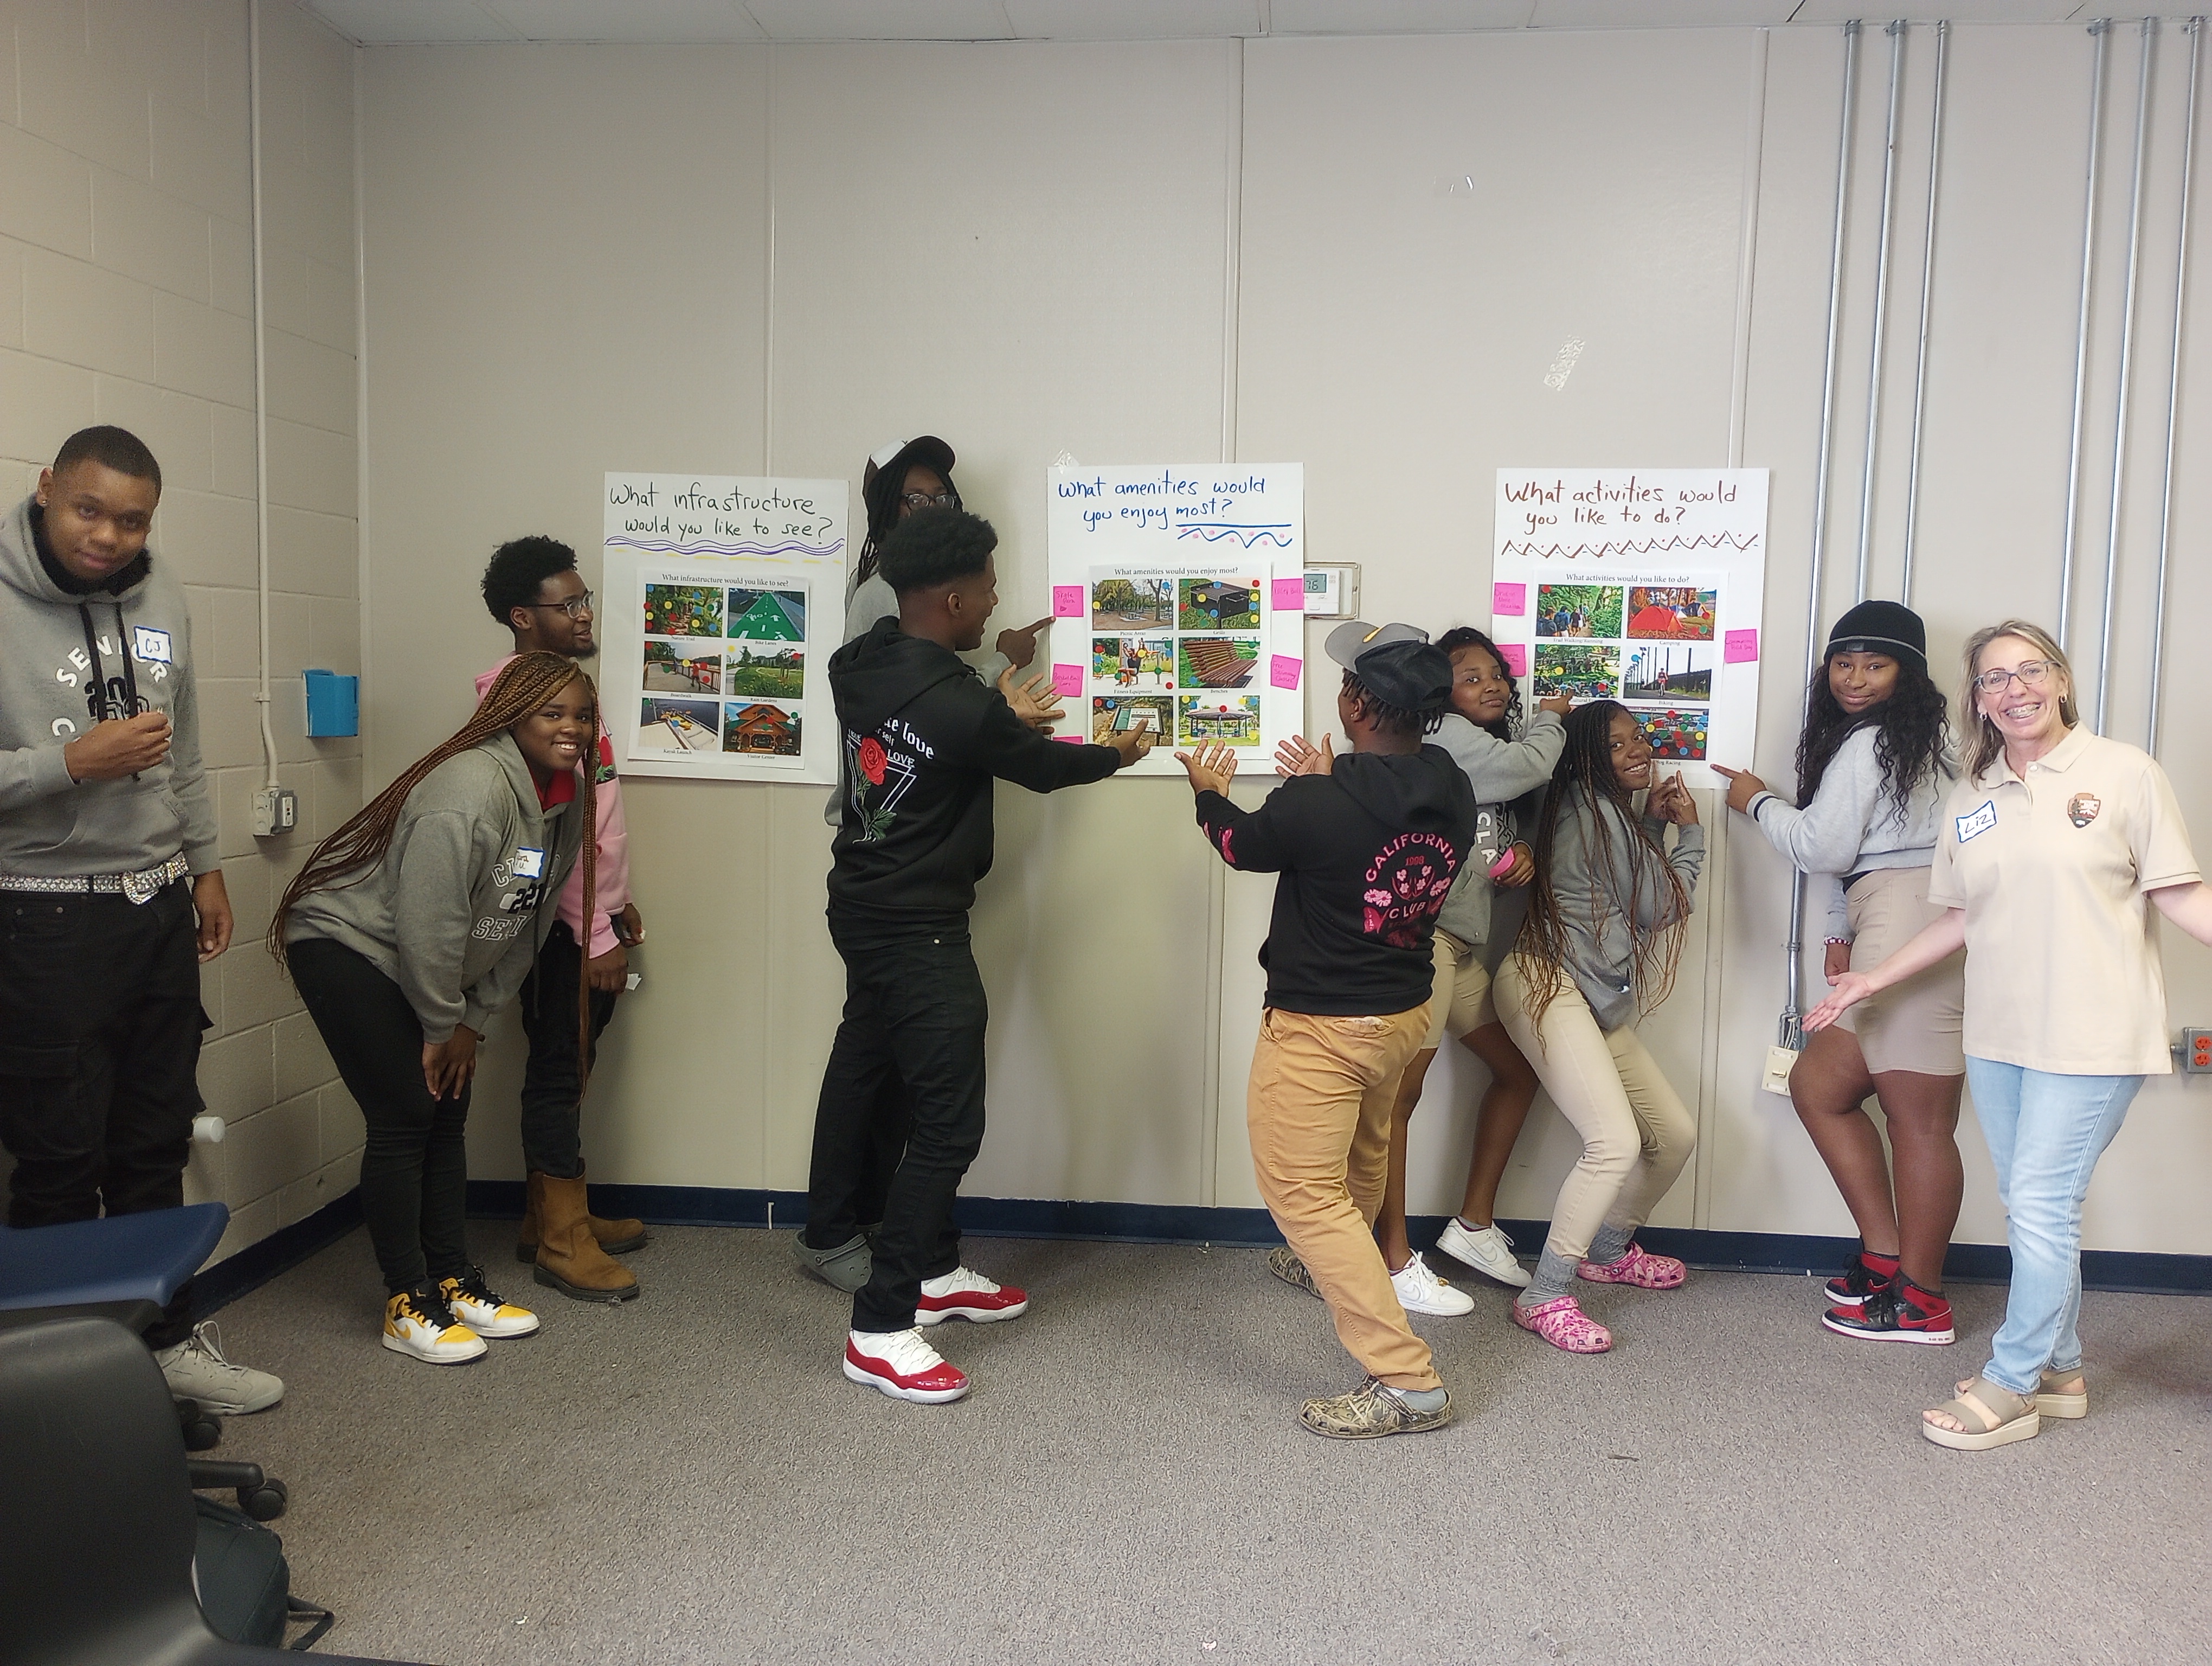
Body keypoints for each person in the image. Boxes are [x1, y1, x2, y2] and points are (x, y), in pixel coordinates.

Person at [1808, 620, 2211, 1450]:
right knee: (2036, 1206)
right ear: (1979, 699)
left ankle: (2013, 1381)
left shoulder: (2124, 773)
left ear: (2060, 680)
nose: (2014, 689)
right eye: (1994, 678)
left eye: (2030, 671)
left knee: (2041, 1201)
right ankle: (2060, 1369)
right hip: (1997, 1034)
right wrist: (1874, 978)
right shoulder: (1974, 793)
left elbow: (2178, 892)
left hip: (2095, 1033)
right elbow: (1962, 916)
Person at [805, 508, 1152, 1404]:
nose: (997, 600)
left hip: (863, 904)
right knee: (951, 1122)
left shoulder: (859, 663)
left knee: (900, 1081)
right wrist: (1116, 753)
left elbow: (956, 729)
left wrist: (996, 703)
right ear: (954, 599)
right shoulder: (962, 705)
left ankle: (934, 1270)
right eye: (989, 588)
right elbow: (1044, 766)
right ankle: (882, 1327)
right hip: (915, 928)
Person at [0, 425, 281, 1415]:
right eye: (90, 510)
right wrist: (68, 765)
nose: (109, 536)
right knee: (59, 1160)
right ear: (46, 489)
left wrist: (205, 866)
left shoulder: (162, 594)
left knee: (155, 1143)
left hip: (156, 903)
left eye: (132, 520)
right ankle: (60, 1392)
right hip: (42, 915)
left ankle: (162, 1352)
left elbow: (185, 751)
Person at [1190, 622, 1477, 1439]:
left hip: (1323, 1028)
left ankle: (1407, 1382)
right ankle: (1333, 1269)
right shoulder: (1452, 783)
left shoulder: (1318, 801)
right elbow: (1367, 819)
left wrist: (1206, 792)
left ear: (1357, 705)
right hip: (1402, 1016)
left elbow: (1240, 843)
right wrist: (1326, 784)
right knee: (1363, 1156)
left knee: (1302, 1193)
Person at [271, 653, 595, 1363]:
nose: (571, 728)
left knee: (447, 1110)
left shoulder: (567, 796)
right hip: (349, 946)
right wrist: (443, 1023)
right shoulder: (469, 788)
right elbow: (432, 921)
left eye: (581, 715)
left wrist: (473, 1019)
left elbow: (524, 921)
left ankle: (452, 1279)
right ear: (512, 716)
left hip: (428, 966)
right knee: (405, 1113)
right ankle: (405, 1302)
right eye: (552, 713)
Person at [1278, 626, 1565, 1312]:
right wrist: (1554, 718)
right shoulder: (1443, 739)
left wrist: (1522, 851)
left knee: (1517, 1071)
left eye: (1496, 675)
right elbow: (1526, 769)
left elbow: (1488, 823)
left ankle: (1472, 1227)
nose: (1490, 686)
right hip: (1426, 945)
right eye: (1469, 676)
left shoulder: (1468, 751)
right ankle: (1392, 1257)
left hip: (1462, 948)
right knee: (1396, 1102)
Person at [1713, 600, 1966, 1344]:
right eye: (1843, 664)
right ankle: (1886, 1259)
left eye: (1875, 665)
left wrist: (1756, 802)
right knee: (1819, 1086)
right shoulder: (1910, 740)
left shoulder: (1873, 742)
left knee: (1921, 1120)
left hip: (1911, 917)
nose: (1854, 679)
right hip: (1891, 913)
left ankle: (1923, 1300)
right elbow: (1862, 851)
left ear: (1907, 673)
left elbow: (1823, 846)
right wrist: (1839, 931)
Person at [1494, 701, 1702, 1354]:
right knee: (1614, 1142)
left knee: (1673, 1135)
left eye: (1639, 737)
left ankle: (1608, 1253)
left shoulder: (1601, 811)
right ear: (1587, 758)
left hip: (1587, 994)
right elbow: (1662, 906)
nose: (1638, 750)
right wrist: (1691, 834)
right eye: (1617, 745)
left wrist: (1651, 824)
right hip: (1545, 982)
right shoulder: (1596, 811)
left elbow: (1623, 887)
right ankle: (1544, 1295)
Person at [475, 536, 648, 1302]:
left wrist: (616, 899)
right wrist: (595, 932)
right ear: (523, 617)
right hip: (560, 930)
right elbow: (548, 838)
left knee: (569, 1064)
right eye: (568, 603)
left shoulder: (564, 691)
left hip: (584, 918)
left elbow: (592, 814)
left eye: (585, 599)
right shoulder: (527, 706)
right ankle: (560, 1238)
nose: (584, 613)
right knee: (558, 1069)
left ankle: (544, 1215)